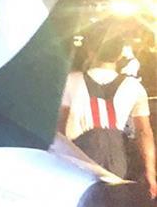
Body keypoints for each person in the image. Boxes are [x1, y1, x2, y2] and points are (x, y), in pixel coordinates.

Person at [59, 36, 156, 197]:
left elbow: (60, 129)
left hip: (78, 155)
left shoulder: (70, 80)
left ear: (90, 51)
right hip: (115, 158)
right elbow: (144, 133)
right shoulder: (134, 87)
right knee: (110, 203)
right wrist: (150, 173)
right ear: (119, 55)